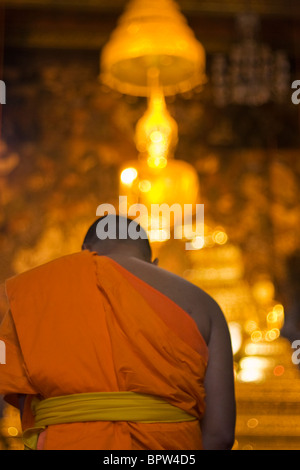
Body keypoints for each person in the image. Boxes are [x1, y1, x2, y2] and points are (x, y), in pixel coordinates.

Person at [0, 214, 235, 450]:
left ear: (83, 252)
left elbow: (21, 399)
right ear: (153, 262)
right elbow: (220, 434)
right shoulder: (203, 304)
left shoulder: (34, 295)